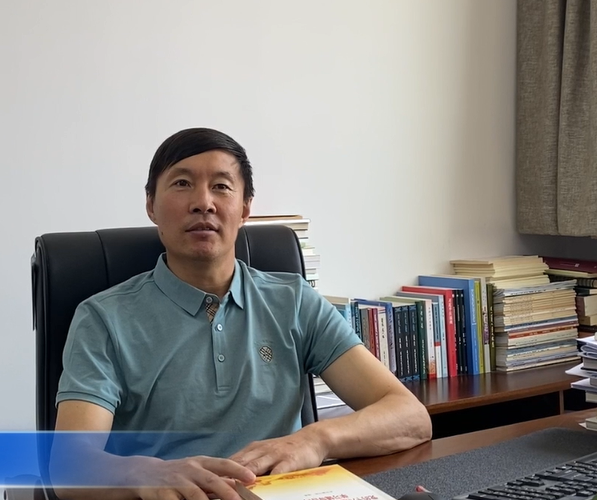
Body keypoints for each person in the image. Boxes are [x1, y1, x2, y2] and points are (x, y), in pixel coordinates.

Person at [51, 128, 431, 500]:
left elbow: (410, 417)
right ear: (151, 205)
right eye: (182, 183)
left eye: (221, 186)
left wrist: (316, 439)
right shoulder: (103, 319)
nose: (203, 203)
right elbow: (69, 467)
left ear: (245, 208)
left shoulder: (294, 301)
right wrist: (145, 472)